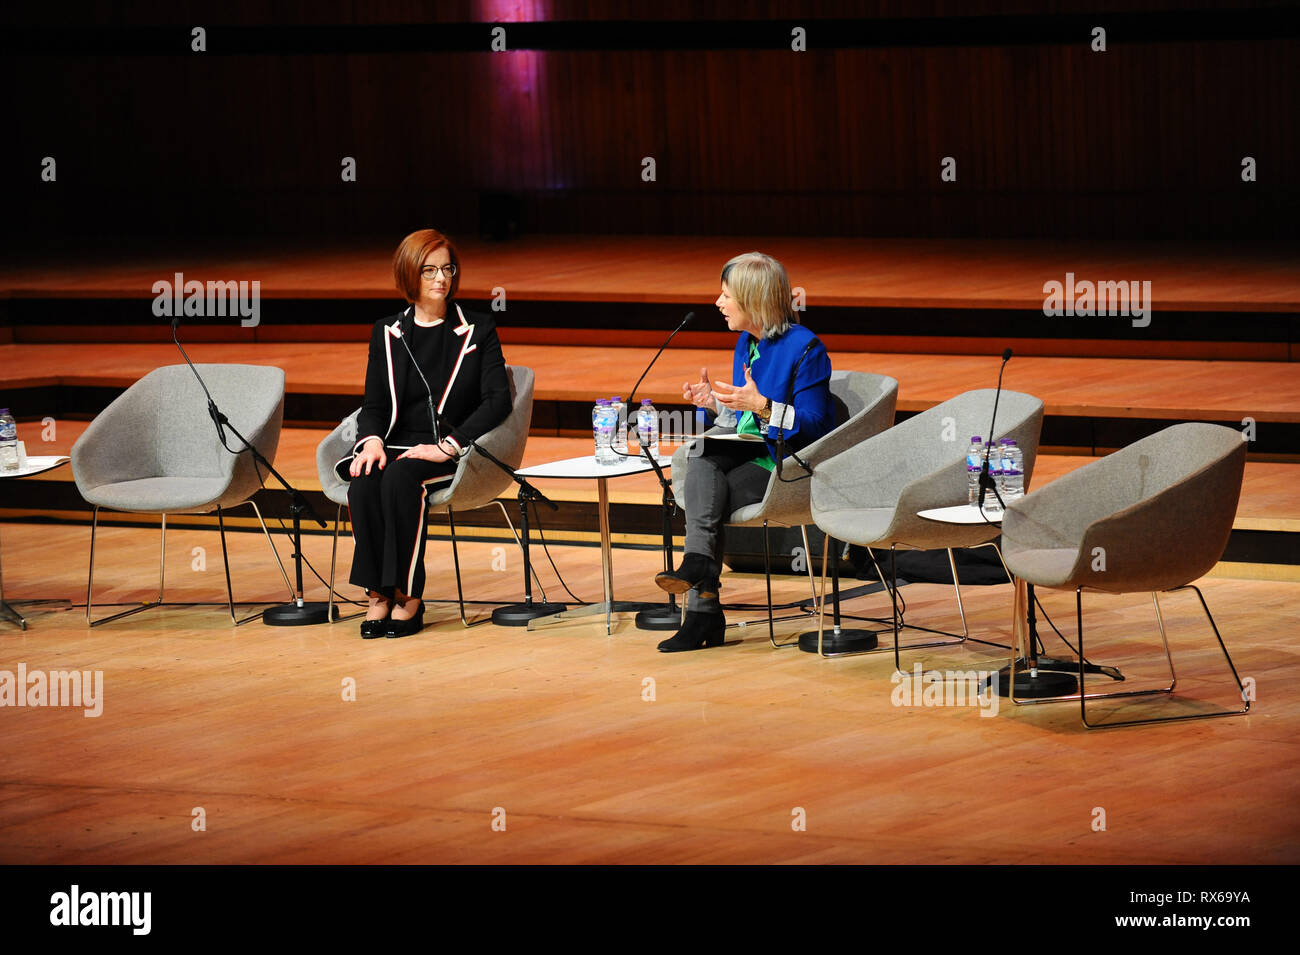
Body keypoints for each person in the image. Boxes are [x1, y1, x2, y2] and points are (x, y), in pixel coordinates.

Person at [654, 252, 833, 652]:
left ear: (753, 299)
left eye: (725, 295)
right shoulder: (745, 342)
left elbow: (819, 427)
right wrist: (716, 405)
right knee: (700, 453)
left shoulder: (806, 348)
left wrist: (764, 406)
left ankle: (703, 609)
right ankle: (701, 582)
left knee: (706, 501)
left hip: (786, 462)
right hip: (749, 451)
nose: (718, 303)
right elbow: (744, 419)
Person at [337, 229, 511, 638]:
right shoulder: (387, 331)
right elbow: (375, 404)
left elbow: (497, 401)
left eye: (447, 269)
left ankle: (407, 595)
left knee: (401, 478)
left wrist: (448, 447)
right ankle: (376, 593)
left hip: (448, 448)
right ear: (409, 275)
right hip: (395, 441)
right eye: (429, 270)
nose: (441, 279)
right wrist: (372, 441)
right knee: (363, 479)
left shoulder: (477, 330)